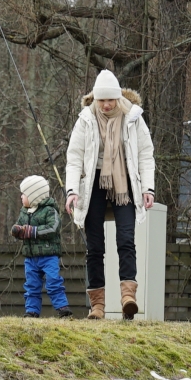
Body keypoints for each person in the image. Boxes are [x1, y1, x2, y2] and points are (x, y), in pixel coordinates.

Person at [64, 70, 155, 320]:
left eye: (110, 100)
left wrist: (147, 189)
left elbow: (146, 155)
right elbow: (74, 158)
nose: (106, 105)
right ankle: (97, 306)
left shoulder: (133, 117)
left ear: (118, 98)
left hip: (124, 182)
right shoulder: (85, 119)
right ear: (95, 99)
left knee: (126, 240)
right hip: (93, 183)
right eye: (101, 100)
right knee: (94, 247)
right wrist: (72, 191)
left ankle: (128, 298)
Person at [10, 175, 71, 318]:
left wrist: (32, 231)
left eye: (24, 194)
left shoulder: (50, 210)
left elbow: (53, 228)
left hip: (49, 256)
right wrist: (17, 231)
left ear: (34, 196)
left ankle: (62, 308)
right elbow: (21, 228)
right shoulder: (24, 212)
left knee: (53, 282)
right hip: (31, 258)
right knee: (31, 285)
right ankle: (32, 311)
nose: (21, 197)